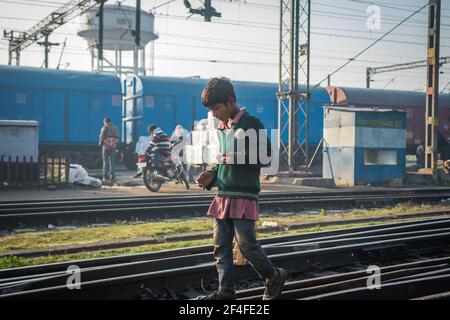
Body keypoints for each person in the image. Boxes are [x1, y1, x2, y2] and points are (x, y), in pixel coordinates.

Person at [195, 77, 287, 300]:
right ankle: (226, 292)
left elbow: (267, 158)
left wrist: (233, 158)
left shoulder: (251, 123)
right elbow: (224, 161)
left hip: (244, 195)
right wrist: (213, 173)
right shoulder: (222, 128)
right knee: (221, 248)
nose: (214, 113)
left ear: (230, 102)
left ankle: (274, 276)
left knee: (246, 245)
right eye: (211, 110)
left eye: (217, 108)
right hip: (223, 194)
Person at [98, 117, 119, 182]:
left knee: (105, 162)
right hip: (113, 147)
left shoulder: (104, 128)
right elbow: (117, 137)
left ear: (105, 122)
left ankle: (105, 177)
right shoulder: (115, 128)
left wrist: (100, 144)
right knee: (112, 162)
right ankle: (113, 176)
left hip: (106, 147)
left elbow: (101, 136)